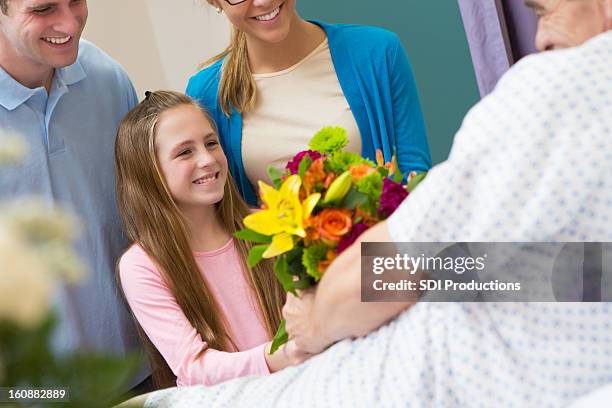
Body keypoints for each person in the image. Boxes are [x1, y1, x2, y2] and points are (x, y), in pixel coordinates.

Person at [123, 1, 612, 406]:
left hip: (374, 292)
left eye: (544, 12)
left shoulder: (380, 54)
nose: (541, 42)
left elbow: (419, 211)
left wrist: (327, 314)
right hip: (327, 297)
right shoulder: (207, 93)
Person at [115, 91, 310, 389]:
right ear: (147, 171)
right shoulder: (141, 266)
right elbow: (193, 368)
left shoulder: (266, 225)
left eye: (210, 143)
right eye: (184, 152)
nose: (207, 159)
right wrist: (280, 357)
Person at [0, 0, 143, 382]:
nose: (69, 22)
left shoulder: (109, 80)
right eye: (43, 9)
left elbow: (148, 221)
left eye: (75, 1)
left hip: (139, 370)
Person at [186, 0, 431, 205]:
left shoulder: (378, 52)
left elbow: (414, 177)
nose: (263, 2)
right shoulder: (206, 94)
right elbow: (220, 218)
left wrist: (369, 261)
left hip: (385, 257)